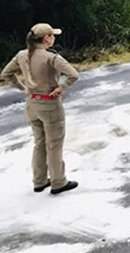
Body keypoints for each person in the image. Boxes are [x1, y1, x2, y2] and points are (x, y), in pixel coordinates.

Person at [0, 23, 79, 194]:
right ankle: (58, 182)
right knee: (54, 145)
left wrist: (22, 87)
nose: (54, 38)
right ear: (46, 38)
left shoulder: (22, 55)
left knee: (39, 143)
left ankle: (39, 181)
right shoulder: (51, 57)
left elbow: (5, 74)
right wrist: (61, 88)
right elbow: (73, 74)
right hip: (49, 104)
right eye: (52, 35)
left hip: (31, 104)